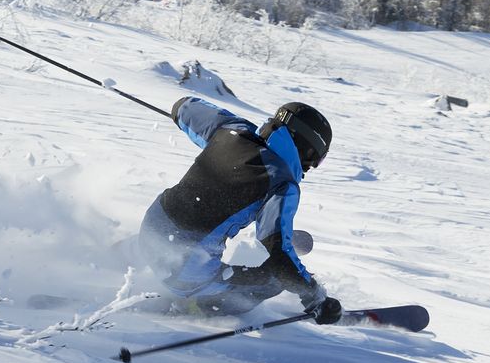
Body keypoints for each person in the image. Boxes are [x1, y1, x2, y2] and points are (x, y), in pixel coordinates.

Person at [140, 94, 342, 322]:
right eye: (318, 160)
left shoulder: (232, 129)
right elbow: (278, 258)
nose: (312, 168)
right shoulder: (282, 183)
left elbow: (184, 106)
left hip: (149, 230)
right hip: (183, 273)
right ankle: (195, 305)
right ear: (308, 151)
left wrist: (181, 117)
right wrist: (316, 297)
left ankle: (127, 254)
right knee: (274, 280)